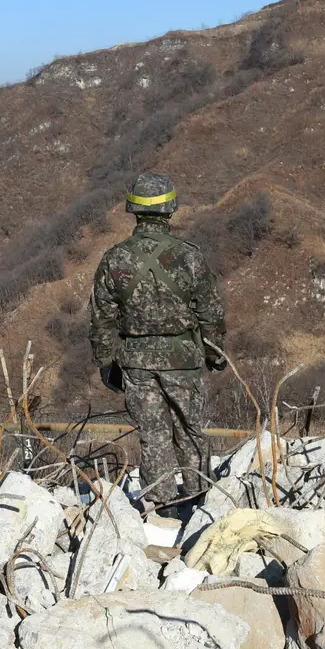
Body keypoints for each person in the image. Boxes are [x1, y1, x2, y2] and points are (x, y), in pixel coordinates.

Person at [89, 172, 226, 515]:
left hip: (136, 362)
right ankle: (199, 501)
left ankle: (163, 506)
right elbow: (210, 312)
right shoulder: (189, 257)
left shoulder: (115, 258)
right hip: (183, 359)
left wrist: (106, 363)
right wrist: (214, 354)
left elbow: (101, 319)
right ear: (171, 209)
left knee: (153, 434)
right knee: (190, 430)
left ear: (133, 209)